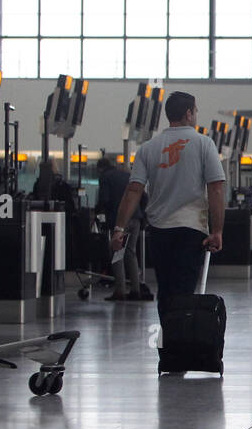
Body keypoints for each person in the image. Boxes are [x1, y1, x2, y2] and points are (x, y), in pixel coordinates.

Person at [112, 91, 225, 317]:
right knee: (184, 291)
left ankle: (168, 343)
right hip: (191, 230)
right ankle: (181, 340)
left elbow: (133, 190)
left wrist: (119, 229)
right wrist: (218, 230)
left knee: (165, 290)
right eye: (196, 110)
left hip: (160, 230)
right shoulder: (204, 144)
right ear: (189, 113)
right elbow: (216, 188)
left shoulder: (148, 148)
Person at [96, 156, 146, 300]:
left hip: (120, 219)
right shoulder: (128, 176)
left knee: (117, 252)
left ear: (100, 169)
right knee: (131, 252)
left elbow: (104, 199)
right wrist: (140, 213)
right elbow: (144, 197)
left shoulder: (105, 177)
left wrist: (99, 213)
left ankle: (120, 290)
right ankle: (136, 290)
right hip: (135, 218)